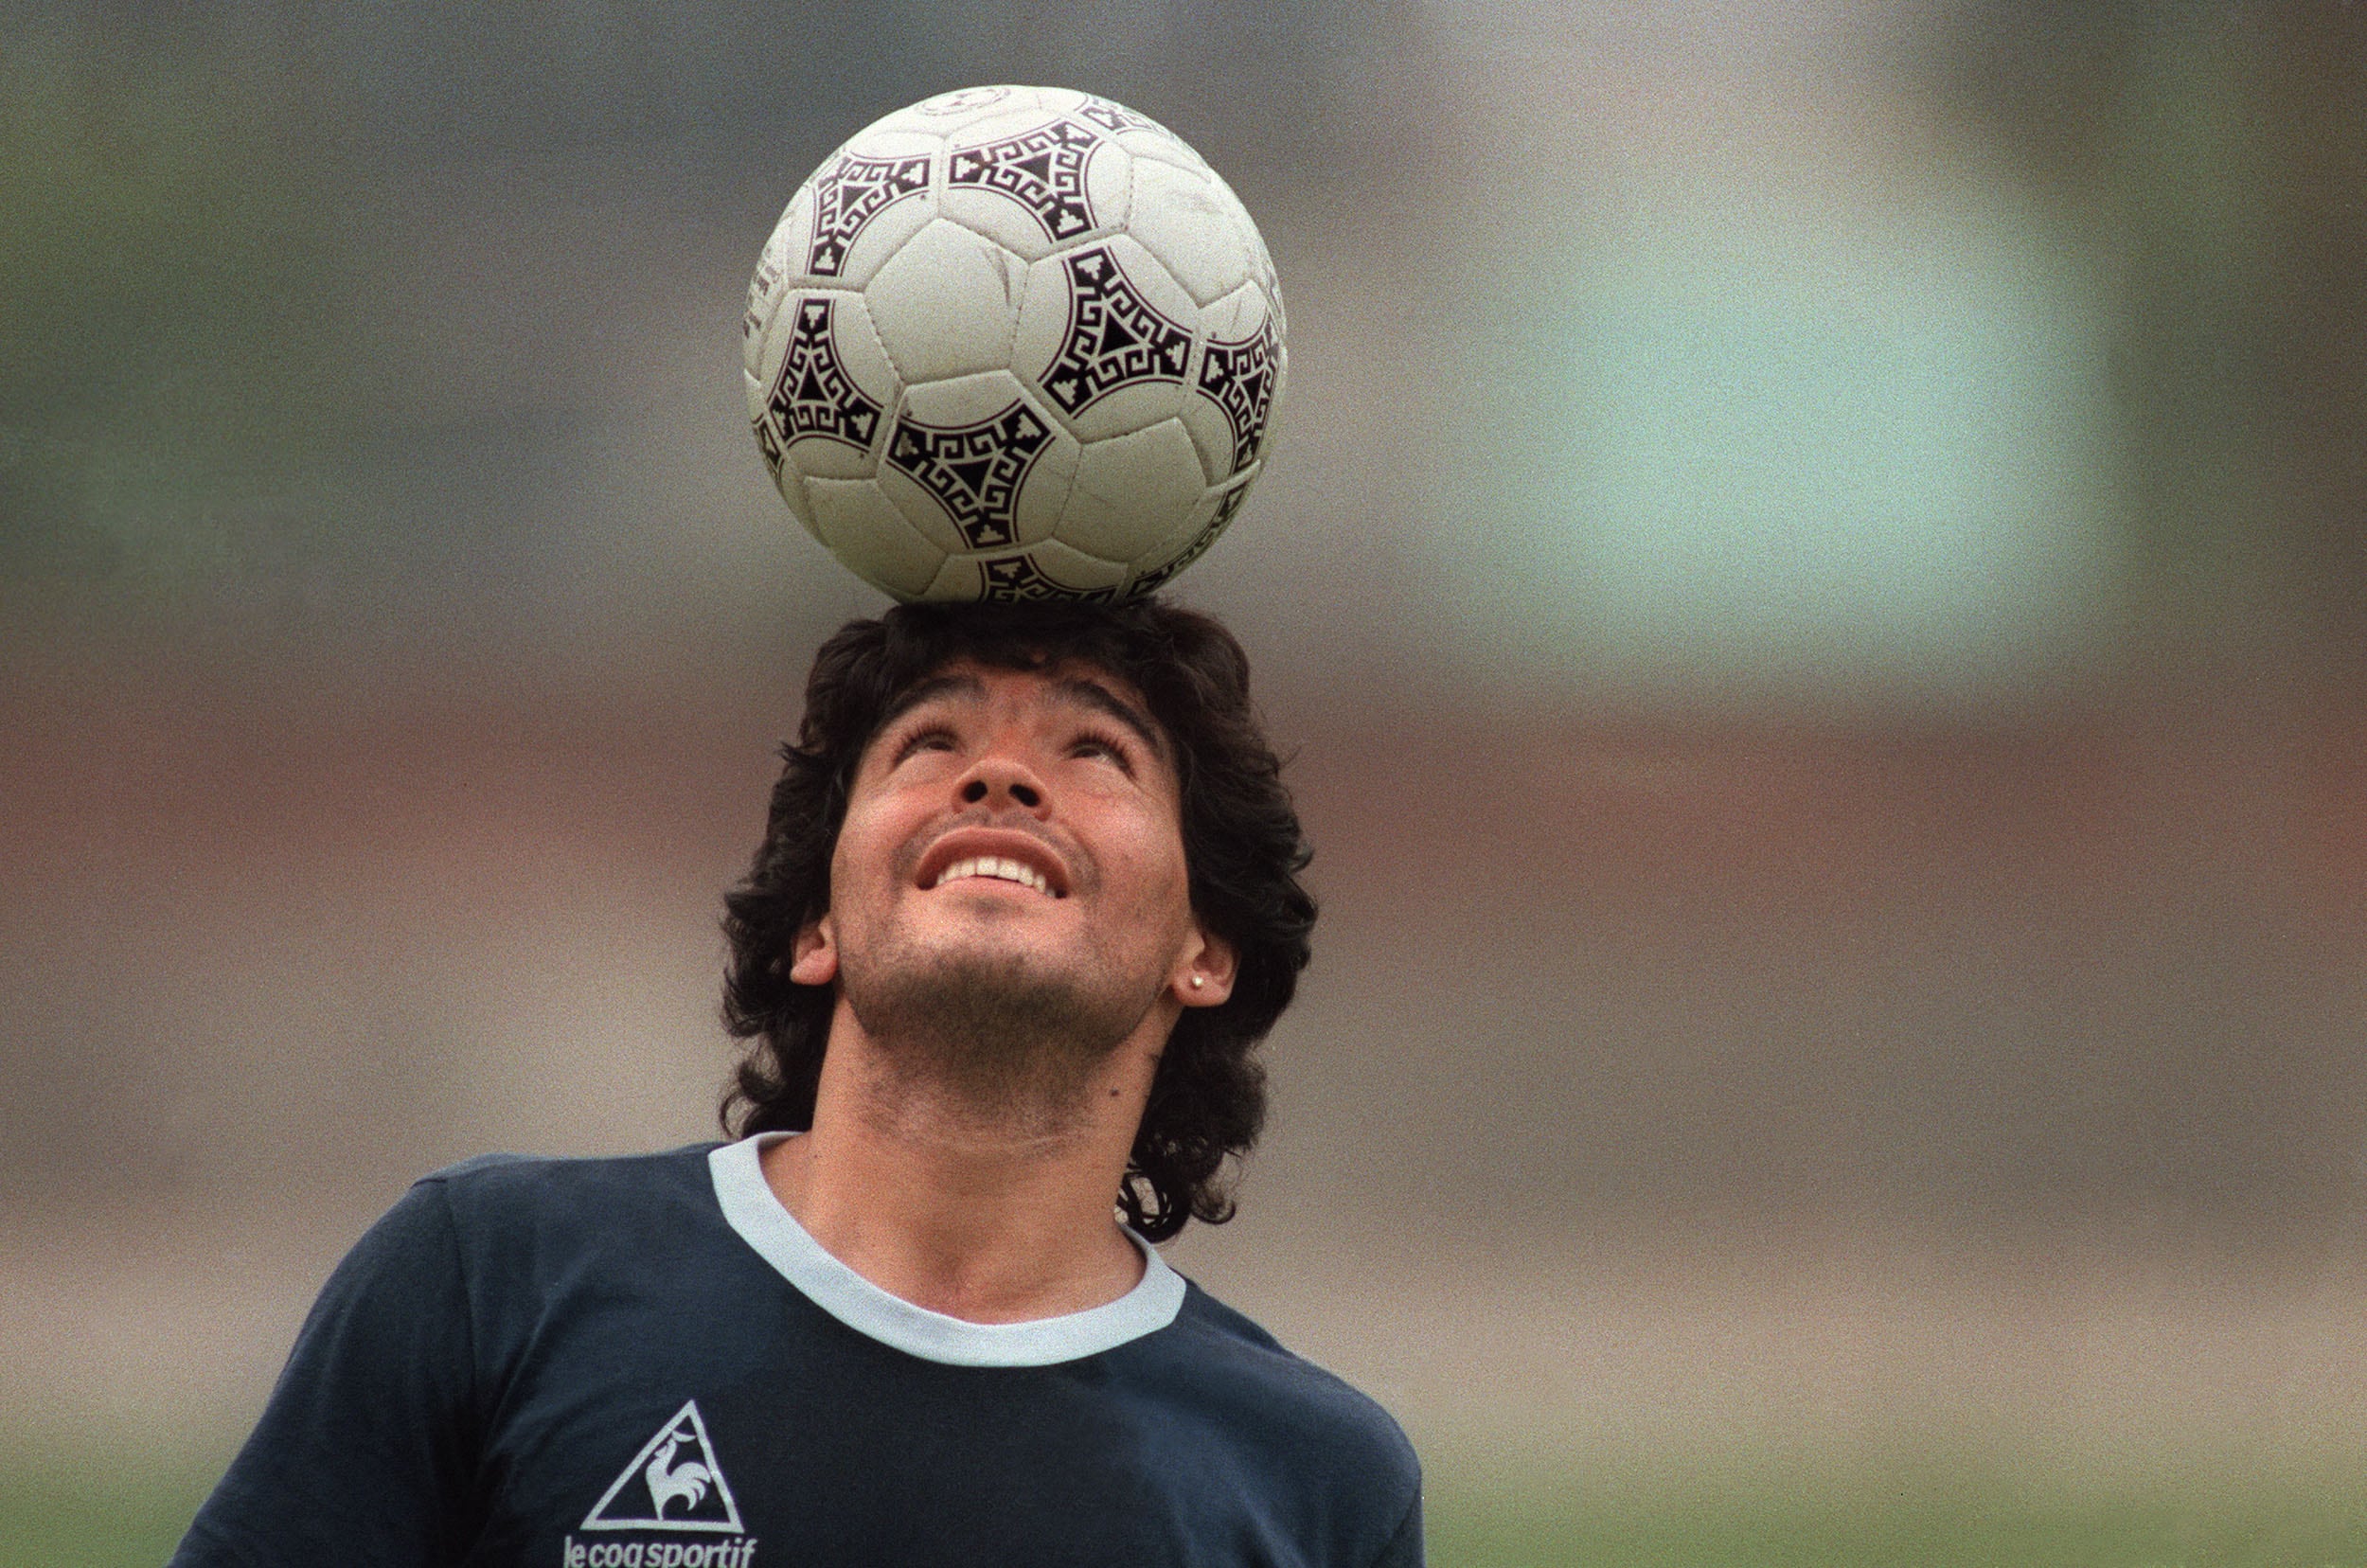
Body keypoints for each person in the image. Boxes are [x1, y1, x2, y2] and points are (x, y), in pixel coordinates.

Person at [171, 597, 1422, 1567]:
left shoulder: (1316, 1480)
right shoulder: (488, 1282)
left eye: (1094, 751)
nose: (997, 779)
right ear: (813, 924)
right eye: (929, 743)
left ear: (1203, 951)